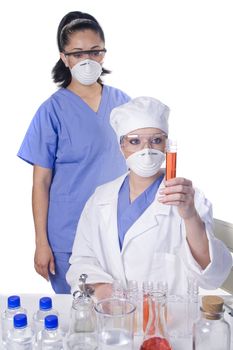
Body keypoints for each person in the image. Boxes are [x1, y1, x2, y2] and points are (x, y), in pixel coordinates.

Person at [66, 96, 232, 298]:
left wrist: (190, 217)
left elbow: (211, 277)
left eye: (156, 140)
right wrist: (104, 292)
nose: (146, 150)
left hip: (167, 322)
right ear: (122, 147)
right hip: (111, 317)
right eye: (135, 141)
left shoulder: (190, 199)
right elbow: (82, 260)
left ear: (166, 146)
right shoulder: (100, 198)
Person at [17, 11, 130, 294]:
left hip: (115, 231)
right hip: (68, 234)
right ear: (64, 58)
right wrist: (41, 243)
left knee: (118, 320)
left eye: (94, 51)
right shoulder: (51, 111)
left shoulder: (123, 104)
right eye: (78, 53)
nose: (87, 59)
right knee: (77, 322)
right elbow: (40, 183)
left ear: (104, 53)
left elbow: (140, 164)